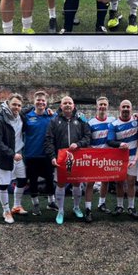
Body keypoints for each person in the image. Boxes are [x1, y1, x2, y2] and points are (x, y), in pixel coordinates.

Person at [44, 94, 92, 224]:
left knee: (76, 183)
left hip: (77, 158)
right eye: (65, 103)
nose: (67, 105)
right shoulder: (54, 121)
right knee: (60, 183)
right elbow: (49, 140)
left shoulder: (81, 119)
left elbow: (88, 136)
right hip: (61, 158)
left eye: (69, 103)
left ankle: (76, 207)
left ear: (73, 105)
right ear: (61, 106)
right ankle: (60, 210)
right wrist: (52, 157)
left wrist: (79, 144)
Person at [0, 94, 27, 224]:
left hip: (18, 155)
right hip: (5, 157)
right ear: (8, 104)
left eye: (19, 105)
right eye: (14, 104)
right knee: (3, 185)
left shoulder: (21, 116)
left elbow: (34, 109)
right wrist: (11, 154)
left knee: (22, 180)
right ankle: (6, 211)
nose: (16, 107)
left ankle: (16, 206)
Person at [20, 92, 56, 213]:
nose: (41, 102)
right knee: (33, 181)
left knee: (50, 179)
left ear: (46, 103)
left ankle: (51, 202)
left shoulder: (51, 116)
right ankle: (35, 205)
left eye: (43, 101)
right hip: (31, 155)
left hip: (47, 155)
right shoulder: (27, 117)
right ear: (34, 101)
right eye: (38, 100)